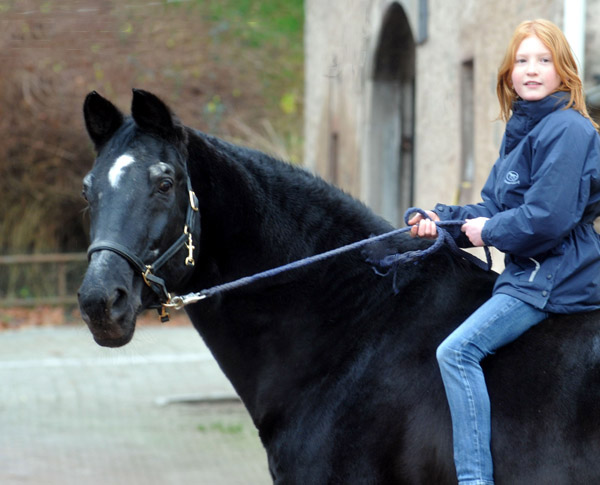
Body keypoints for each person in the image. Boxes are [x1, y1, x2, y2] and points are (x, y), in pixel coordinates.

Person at [409, 19, 600, 484]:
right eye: (521, 60)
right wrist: (442, 223)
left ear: (563, 71)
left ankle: (474, 479)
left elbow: (546, 219)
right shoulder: (523, 129)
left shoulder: (567, 130)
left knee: (456, 352)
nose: (531, 70)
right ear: (508, 73)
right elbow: (494, 207)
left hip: (554, 273)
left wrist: (486, 231)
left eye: (543, 60)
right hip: (528, 271)